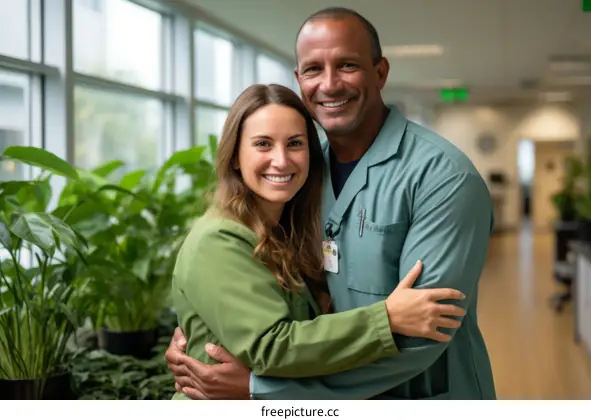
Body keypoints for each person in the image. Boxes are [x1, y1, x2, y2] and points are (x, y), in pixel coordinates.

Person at [166, 7, 496, 400]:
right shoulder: (300, 171)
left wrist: (263, 389)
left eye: (347, 65)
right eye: (313, 70)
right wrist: (206, 333)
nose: (330, 84)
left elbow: (423, 335)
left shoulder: (444, 178)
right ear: (299, 79)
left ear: (380, 72)